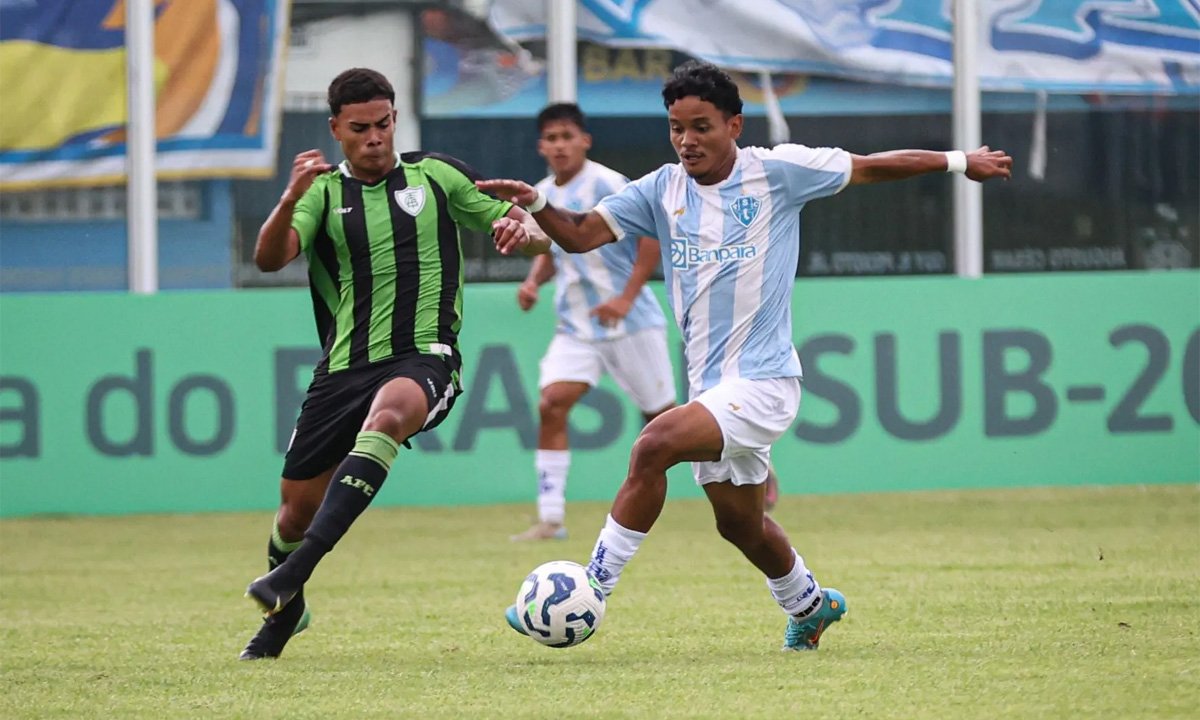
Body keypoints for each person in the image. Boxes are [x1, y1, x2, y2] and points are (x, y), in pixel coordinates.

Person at [481, 60, 1012, 651]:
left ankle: (592, 589)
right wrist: (537, 207)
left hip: (764, 381)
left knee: (653, 444)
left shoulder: (778, 171)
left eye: (701, 126)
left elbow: (870, 166)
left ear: (734, 125)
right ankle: (809, 605)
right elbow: (579, 234)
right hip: (710, 388)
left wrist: (963, 162)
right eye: (677, 127)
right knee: (739, 524)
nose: (687, 140)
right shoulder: (661, 189)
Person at [239, 67, 548, 660]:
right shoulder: (322, 193)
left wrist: (524, 228)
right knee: (292, 512)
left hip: (425, 355)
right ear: (336, 129)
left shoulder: (437, 176)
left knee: (388, 417)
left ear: (394, 120)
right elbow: (271, 257)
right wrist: (286, 199)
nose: (375, 137)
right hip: (342, 369)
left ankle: (291, 575)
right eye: (360, 128)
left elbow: (525, 233)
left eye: (383, 124)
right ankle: (289, 606)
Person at [510, 102, 677, 542]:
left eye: (568, 136)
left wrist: (625, 299)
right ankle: (550, 517)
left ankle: (743, 471)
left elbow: (648, 239)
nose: (560, 146)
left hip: (631, 322)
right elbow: (551, 251)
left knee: (663, 421)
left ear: (585, 140)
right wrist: (533, 283)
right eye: (552, 138)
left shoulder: (608, 183)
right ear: (541, 146)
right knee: (552, 404)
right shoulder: (541, 194)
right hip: (577, 326)